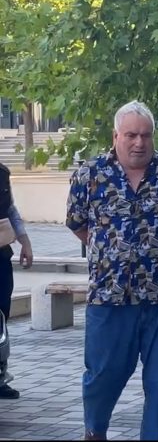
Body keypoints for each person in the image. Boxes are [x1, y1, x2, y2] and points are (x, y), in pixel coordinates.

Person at [65, 101, 158, 440]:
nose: (139, 142)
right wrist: (111, 252)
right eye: (131, 135)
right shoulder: (90, 175)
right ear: (116, 136)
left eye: (146, 135)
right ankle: (95, 430)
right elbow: (78, 223)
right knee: (103, 375)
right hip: (110, 296)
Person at [0, 162, 33, 399]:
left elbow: (10, 209)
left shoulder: (1, 174)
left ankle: (0, 375)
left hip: (0, 256)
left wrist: (25, 242)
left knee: (1, 316)